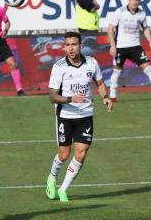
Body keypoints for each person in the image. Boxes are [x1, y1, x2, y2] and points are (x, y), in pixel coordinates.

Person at [45, 32, 113, 202]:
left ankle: (63, 189)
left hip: (85, 114)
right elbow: (52, 95)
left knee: (81, 153)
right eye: (67, 45)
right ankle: (52, 177)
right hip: (65, 115)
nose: (70, 48)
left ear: (80, 46)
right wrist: (70, 99)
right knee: (64, 154)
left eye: (74, 44)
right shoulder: (59, 67)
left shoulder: (92, 63)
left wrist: (105, 97)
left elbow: (100, 83)